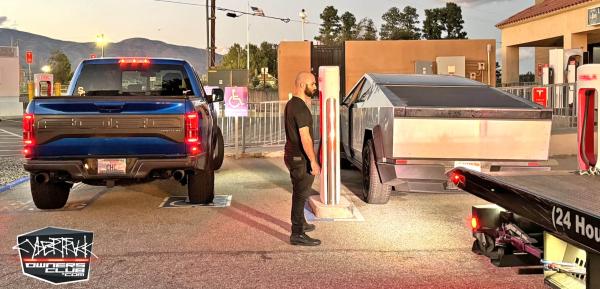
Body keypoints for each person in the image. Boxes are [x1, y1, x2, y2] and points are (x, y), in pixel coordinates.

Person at [284, 71, 321, 246]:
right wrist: (313, 161)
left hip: (292, 156)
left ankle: (302, 224)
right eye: (312, 84)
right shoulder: (300, 108)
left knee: (299, 191)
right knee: (300, 195)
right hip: (300, 159)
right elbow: (305, 137)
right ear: (301, 85)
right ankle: (297, 233)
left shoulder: (291, 104)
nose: (315, 87)